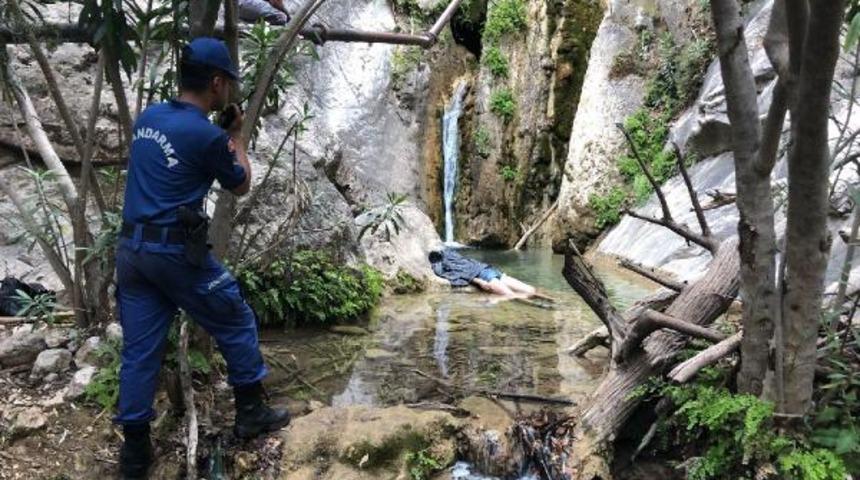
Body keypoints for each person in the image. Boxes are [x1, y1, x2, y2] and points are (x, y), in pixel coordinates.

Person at [115, 37, 289, 479]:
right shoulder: (209, 137)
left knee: (140, 352)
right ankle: (250, 412)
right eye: (228, 82)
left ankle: (135, 456)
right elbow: (241, 183)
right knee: (234, 317)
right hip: (174, 253)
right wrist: (236, 137)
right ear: (216, 83)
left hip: (132, 252)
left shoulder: (149, 118)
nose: (229, 89)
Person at [428, 249, 537, 297]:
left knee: (511, 296)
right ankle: (548, 301)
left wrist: (480, 282)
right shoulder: (453, 255)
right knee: (531, 290)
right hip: (490, 269)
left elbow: (462, 275)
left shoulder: (446, 266)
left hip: (485, 276)